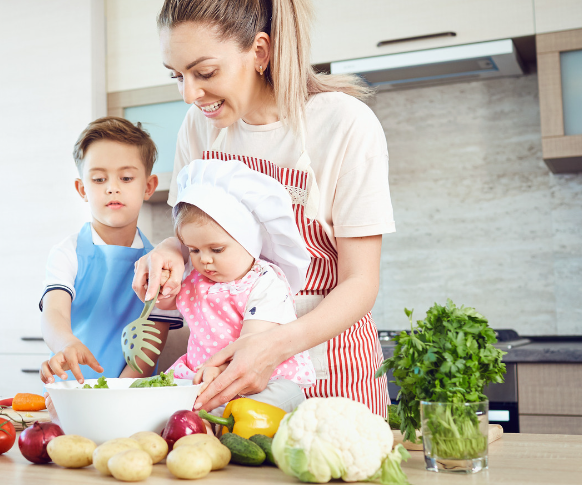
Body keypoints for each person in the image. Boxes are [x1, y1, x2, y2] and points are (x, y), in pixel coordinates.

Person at [133, 0, 394, 418]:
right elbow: (193, 235)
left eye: (204, 73)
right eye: (176, 76)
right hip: (225, 367)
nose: (189, 94)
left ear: (259, 52)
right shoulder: (200, 127)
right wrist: (170, 249)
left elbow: (361, 282)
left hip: (329, 360)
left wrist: (273, 346)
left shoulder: (345, 124)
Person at [39, 117, 183, 418]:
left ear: (149, 186)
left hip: (131, 399)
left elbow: (148, 351)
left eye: (126, 178)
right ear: (82, 188)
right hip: (71, 398)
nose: (112, 189)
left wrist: (114, 398)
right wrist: (66, 342)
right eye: (99, 179)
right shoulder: (68, 253)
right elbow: (54, 313)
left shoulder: (160, 265)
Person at [158, 159, 314, 413]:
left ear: (248, 241)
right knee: (162, 400)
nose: (204, 259)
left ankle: (210, 420)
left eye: (216, 249)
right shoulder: (196, 279)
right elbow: (168, 304)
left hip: (260, 380)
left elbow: (254, 340)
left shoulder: (265, 282)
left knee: (283, 395)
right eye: (194, 249)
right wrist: (163, 288)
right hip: (201, 377)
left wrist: (221, 372)